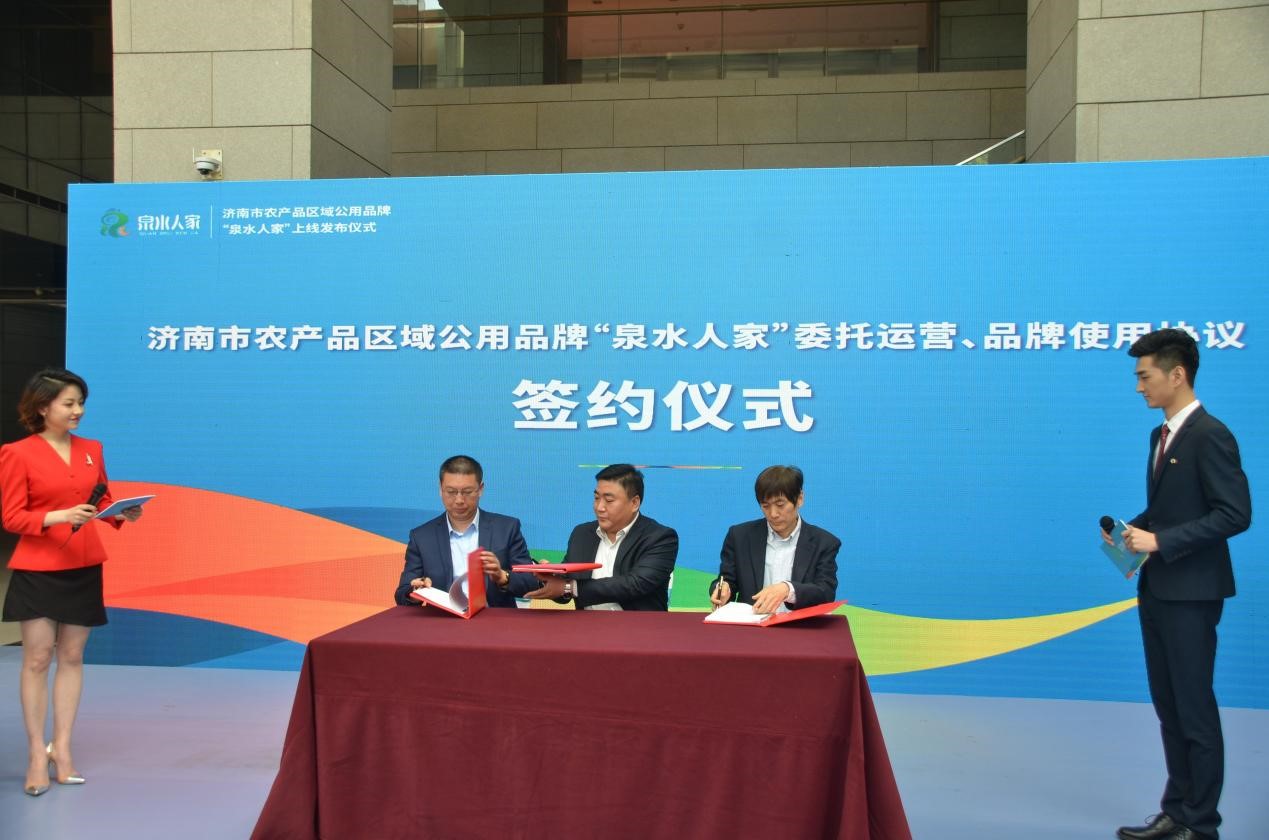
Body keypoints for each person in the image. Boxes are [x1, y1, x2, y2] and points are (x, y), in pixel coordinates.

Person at [1110, 329, 1251, 840]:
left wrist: (1162, 541)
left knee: (1194, 709)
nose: (1138, 387)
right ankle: (1177, 810)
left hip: (1193, 594)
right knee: (1169, 707)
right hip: (1159, 589)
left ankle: (1201, 823)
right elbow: (1170, 509)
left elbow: (1234, 514)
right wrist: (1132, 531)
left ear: (1177, 374)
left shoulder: (1211, 434)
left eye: (1144, 376)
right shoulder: (1161, 435)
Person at [0, 368, 143, 797]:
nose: (78, 410)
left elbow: (101, 499)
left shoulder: (91, 449)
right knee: (37, 659)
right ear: (43, 407)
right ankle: (34, 754)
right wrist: (59, 516)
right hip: (38, 568)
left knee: (73, 656)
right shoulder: (16, 453)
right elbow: (12, 517)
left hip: (83, 564)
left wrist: (121, 513)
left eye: (81, 402)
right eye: (69, 403)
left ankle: (61, 749)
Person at [393, 455, 538, 608]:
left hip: (494, 618)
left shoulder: (507, 528)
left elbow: (530, 582)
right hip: (443, 619)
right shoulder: (422, 537)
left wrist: (502, 576)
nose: (459, 500)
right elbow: (402, 593)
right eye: (451, 492)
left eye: (467, 492)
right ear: (440, 489)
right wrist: (416, 591)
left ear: (480, 489)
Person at [526, 463, 677, 610]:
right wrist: (550, 579)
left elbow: (635, 584)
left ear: (634, 503)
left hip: (638, 626)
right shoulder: (582, 534)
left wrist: (571, 587)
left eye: (609, 500)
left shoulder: (660, 538)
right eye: (597, 498)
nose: (599, 507)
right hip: (586, 625)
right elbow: (565, 590)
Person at [709, 465, 839, 614]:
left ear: (800, 498)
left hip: (800, 626)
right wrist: (722, 590)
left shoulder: (824, 543)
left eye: (780, 505)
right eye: (765, 506)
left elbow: (825, 593)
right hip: (751, 624)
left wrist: (788, 589)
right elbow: (727, 581)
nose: (773, 514)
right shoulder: (740, 536)